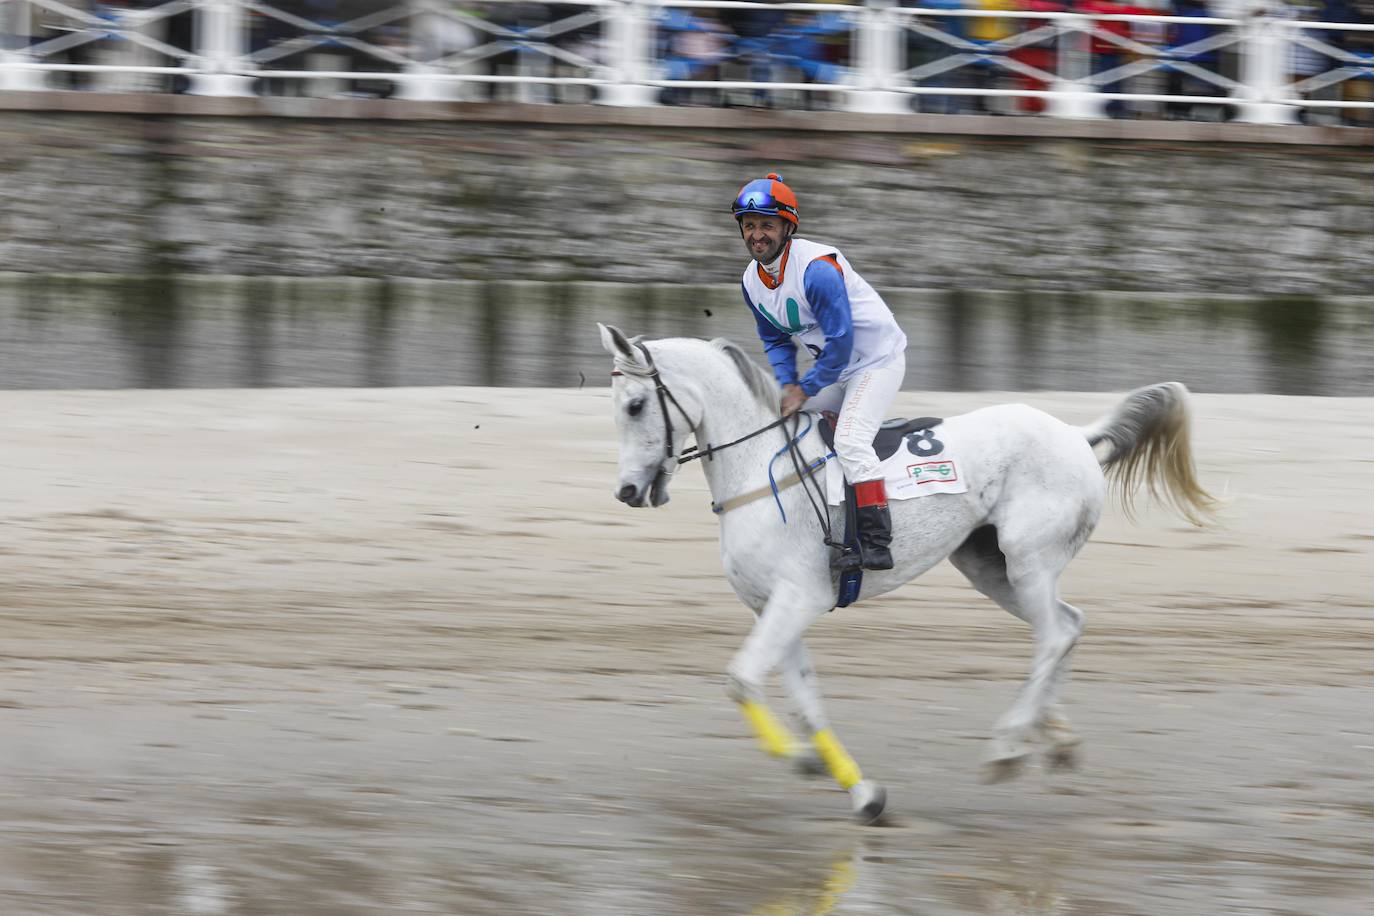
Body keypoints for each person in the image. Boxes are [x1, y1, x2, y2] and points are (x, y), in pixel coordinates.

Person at [731, 173, 909, 571]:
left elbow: (842, 343)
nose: (757, 235)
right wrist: (789, 385)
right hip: (836, 370)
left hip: (875, 362)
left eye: (767, 225)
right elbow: (775, 340)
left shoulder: (817, 270)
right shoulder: (750, 281)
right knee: (780, 423)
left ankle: (877, 544)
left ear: (787, 227)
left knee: (849, 441)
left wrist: (806, 387)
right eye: (750, 226)